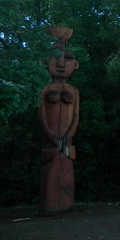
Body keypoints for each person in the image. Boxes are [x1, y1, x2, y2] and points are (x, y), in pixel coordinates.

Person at [39, 27, 79, 214]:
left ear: (76, 65)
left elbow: (76, 117)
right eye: (55, 58)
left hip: (67, 142)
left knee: (67, 173)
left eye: (68, 59)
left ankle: (66, 205)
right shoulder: (45, 89)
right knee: (51, 173)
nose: (62, 63)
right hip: (51, 141)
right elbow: (42, 116)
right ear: (44, 62)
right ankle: (50, 206)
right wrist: (51, 136)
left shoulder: (74, 91)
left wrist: (68, 136)